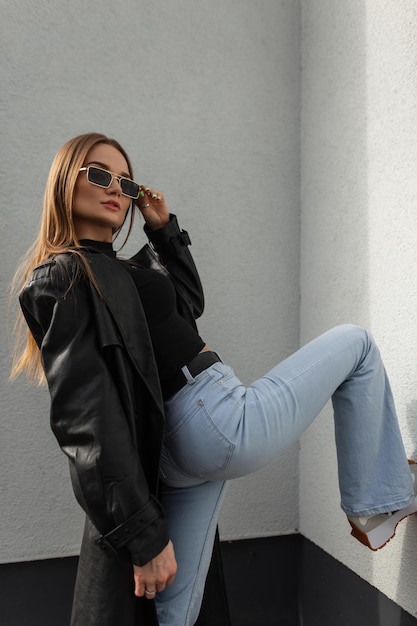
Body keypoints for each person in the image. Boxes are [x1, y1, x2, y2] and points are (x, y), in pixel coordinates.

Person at [12, 132, 417, 626]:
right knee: (357, 343)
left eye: (126, 181)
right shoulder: (67, 276)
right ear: (63, 185)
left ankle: (381, 499)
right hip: (212, 416)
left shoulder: (111, 270)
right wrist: (143, 536)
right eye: (99, 174)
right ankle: (379, 502)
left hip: (179, 451)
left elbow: (187, 307)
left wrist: (162, 229)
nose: (115, 187)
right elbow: (85, 420)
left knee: (175, 607)